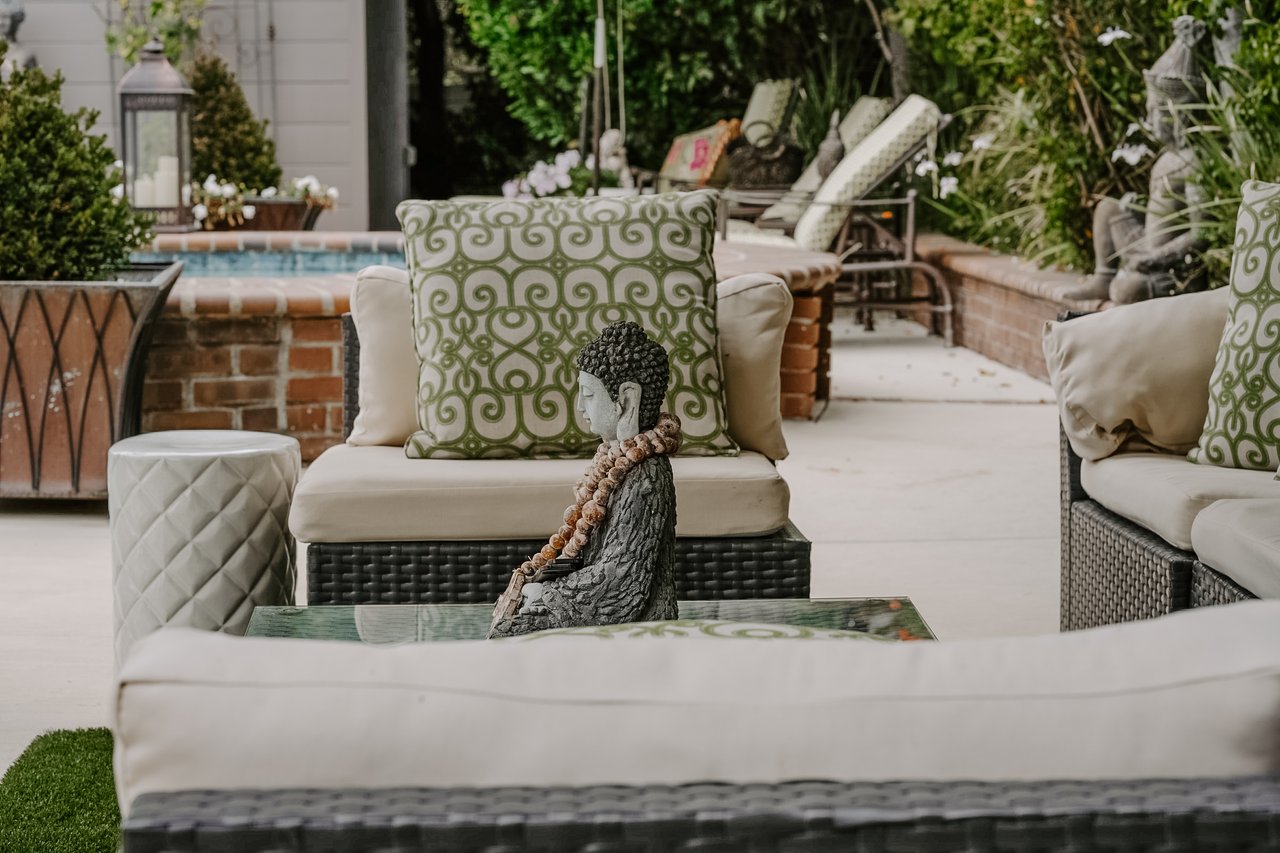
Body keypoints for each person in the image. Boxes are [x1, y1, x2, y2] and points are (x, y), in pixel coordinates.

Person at [489, 321, 679, 638]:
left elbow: (622, 577)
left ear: (627, 400)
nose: (580, 406)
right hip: (586, 599)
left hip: (637, 622)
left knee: (507, 634)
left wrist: (549, 594)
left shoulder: (646, 475)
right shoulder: (616, 459)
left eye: (588, 395)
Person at [1065, 16, 1208, 304]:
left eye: (1157, 113)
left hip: (1172, 265)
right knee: (1108, 208)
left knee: (1128, 289)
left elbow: (1200, 233)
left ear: (1179, 114)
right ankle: (1103, 277)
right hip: (1147, 248)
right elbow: (1160, 213)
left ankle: (1119, 285)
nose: (1150, 120)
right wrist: (1136, 209)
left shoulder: (1194, 162)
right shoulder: (1167, 158)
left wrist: (1154, 258)